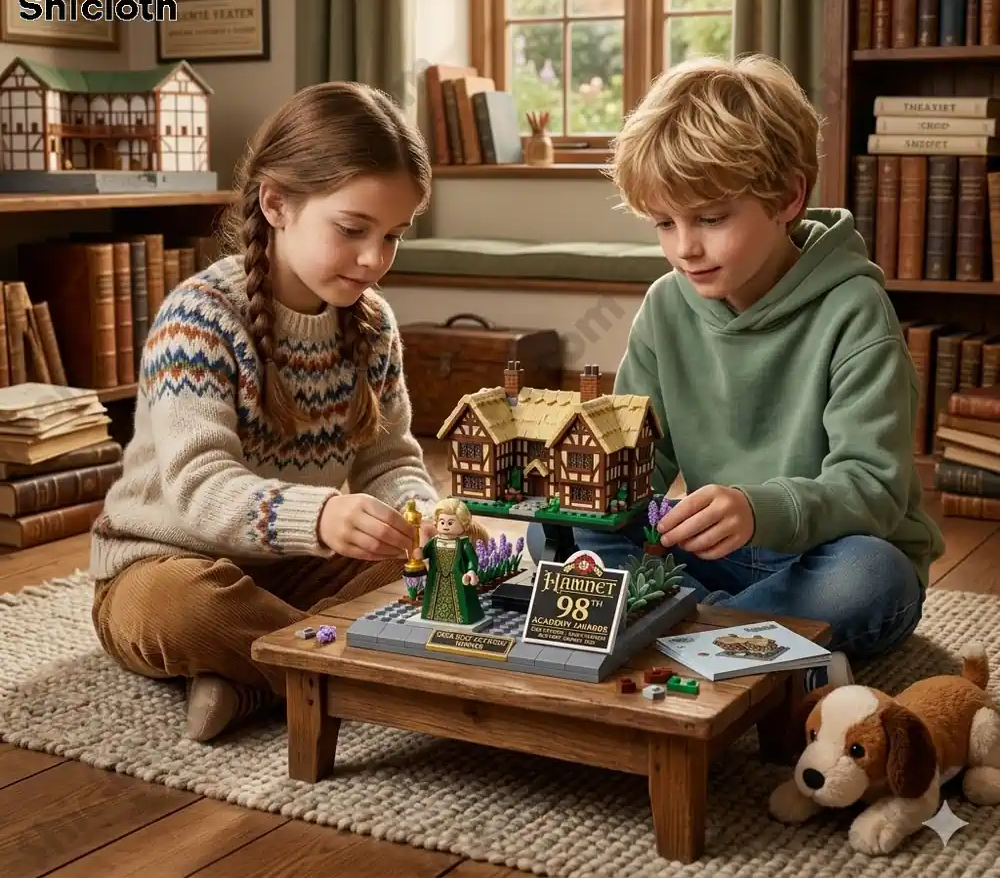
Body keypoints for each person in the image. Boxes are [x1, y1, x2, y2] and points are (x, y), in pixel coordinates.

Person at [527, 53, 946, 688]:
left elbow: (874, 489)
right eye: (664, 223)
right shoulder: (665, 305)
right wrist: (584, 493)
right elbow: (638, 459)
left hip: (825, 554)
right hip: (708, 552)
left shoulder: (855, 310)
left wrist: (757, 509)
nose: (684, 248)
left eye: (710, 218)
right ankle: (737, 639)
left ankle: (677, 625)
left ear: (787, 198)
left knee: (871, 578)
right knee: (553, 533)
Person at [90, 81, 441, 741]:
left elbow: (389, 460)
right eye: (353, 229)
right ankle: (336, 669)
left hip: (296, 570)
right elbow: (200, 488)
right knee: (189, 613)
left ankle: (254, 679)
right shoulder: (200, 318)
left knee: (446, 562)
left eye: (393, 235)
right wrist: (322, 514)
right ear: (277, 203)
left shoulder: (372, 325)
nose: (375, 259)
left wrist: (421, 518)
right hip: (164, 564)